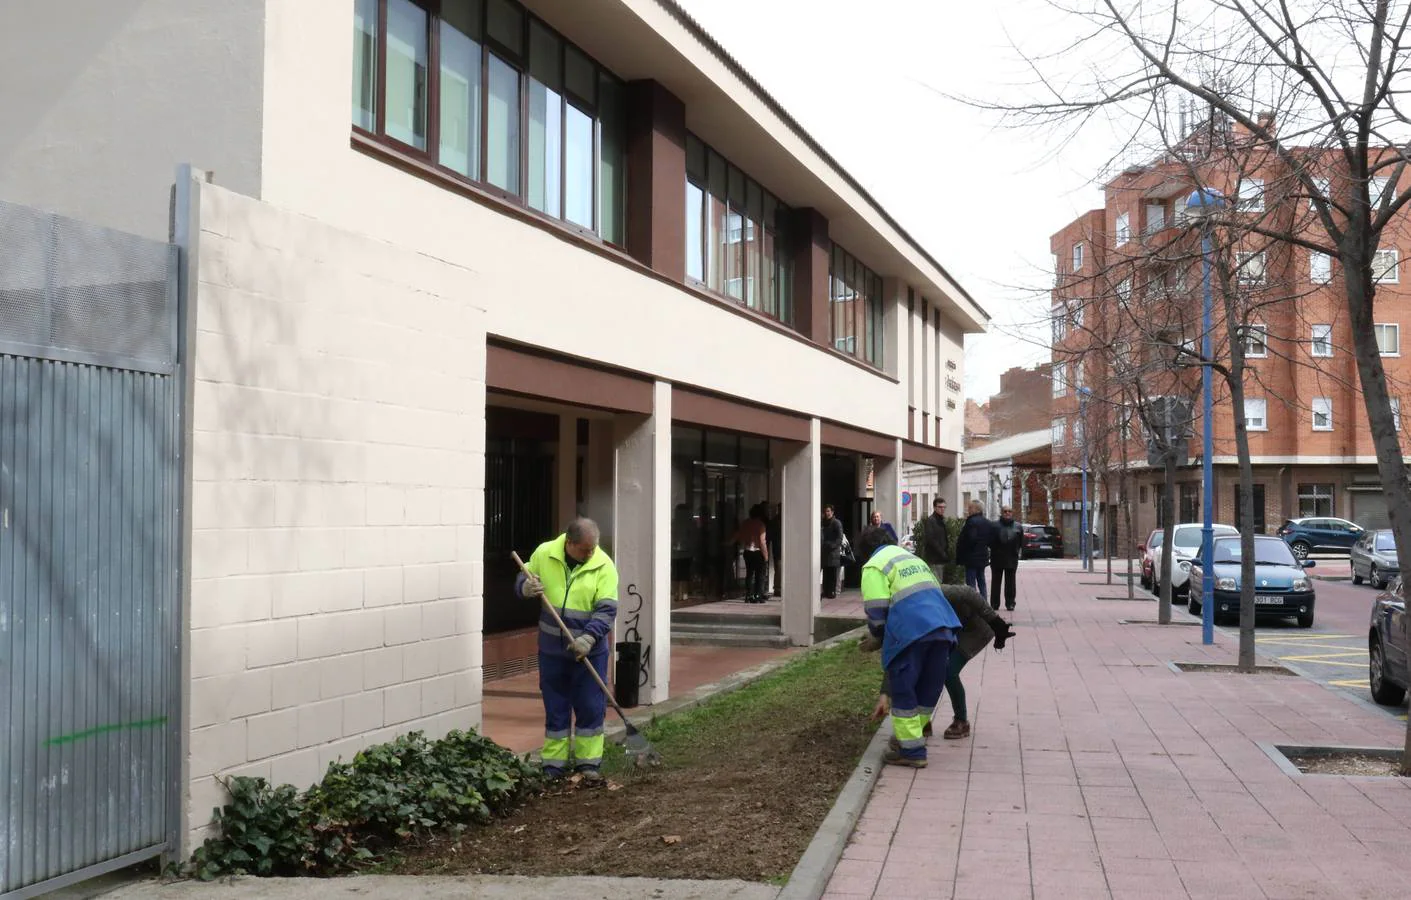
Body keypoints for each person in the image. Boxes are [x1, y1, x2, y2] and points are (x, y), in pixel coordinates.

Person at [516, 517, 618, 785]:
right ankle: (554, 766)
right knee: (556, 708)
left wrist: (589, 638)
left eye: (593, 547)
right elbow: (524, 575)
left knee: (590, 707)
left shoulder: (603, 566)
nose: (590, 553)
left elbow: (607, 610)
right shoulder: (545, 553)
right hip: (551, 652)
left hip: (589, 653)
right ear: (569, 543)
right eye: (585, 549)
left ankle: (589, 764)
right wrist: (525, 587)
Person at [856, 525, 962, 768]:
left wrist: (878, 637)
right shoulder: (912, 558)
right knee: (928, 687)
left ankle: (912, 752)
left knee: (904, 689)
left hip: (910, 632)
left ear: (866, 551)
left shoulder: (874, 565)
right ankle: (910, 739)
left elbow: (876, 609)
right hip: (943, 628)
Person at [932, 583, 1015, 739]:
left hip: (975, 629)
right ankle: (922, 720)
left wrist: (996, 622)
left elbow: (968, 592)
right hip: (951, 629)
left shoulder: (942, 593)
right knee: (929, 669)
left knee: (949, 672)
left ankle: (961, 721)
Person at [955, 501, 997, 596]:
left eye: (970, 508)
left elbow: (970, 539)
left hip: (971, 557)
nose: (968, 510)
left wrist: (963, 551)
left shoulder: (971, 522)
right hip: (982, 556)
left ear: (977, 509)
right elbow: (990, 540)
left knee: (971, 583)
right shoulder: (987, 522)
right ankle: (984, 603)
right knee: (981, 581)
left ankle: (973, 604)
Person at [989, 506, 1024, 611]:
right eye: (1005, 511)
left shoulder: (1018, 526)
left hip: (1011, 558)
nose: (1007, 513)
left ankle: (1010, 603)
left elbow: (1021, 542)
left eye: (1009, 511)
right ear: (1001, 513)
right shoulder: (994, 526)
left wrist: (1017, 552)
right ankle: (995, 603)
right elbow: (989, 541)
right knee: (996, 582)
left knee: (1011, 582)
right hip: (997, 558)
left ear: (1012, 513)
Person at [735, 503, 770, 603]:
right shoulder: (761, 524)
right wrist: (766, 555)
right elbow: (762, 542)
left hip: (747, 552)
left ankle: (748, 595)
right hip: (757, 552)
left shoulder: (745, 523)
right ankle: (757, 595)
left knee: (749, 573)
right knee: (760, 574)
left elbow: (739, 535)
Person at [919, 498, 952, 582]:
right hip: (934, 558)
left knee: (939, 581)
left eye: (944, 507)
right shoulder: (931, 520)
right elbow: (931, 539)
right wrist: (942, 552)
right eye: (940, 507)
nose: (942, 509)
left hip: (940, 558)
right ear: (934, 507)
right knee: (937, 582)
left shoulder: (941, 520)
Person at [820, 504, 845, 599]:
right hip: (825, 551)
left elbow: (840, 537)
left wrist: (833, 545)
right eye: (826, 511)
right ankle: (825, 591)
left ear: (832, 512)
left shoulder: (836, 523)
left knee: (832, 573)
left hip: (833, 552)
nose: (827, 513)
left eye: (828, 511)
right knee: (826, 572)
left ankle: (832, 591)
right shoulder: (823, 522)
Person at [671, 503, 693, 604]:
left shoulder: (673, 522)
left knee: (676, 574)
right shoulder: (690, 523)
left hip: (674, 553)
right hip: (686, 553)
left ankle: (675, 593)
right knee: (684, 575)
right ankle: (684, 594)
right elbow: (694, 537)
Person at [767, 503, 783, 597]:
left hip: (786, 549)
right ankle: (777, 589)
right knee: (779, 569)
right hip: (778, 549)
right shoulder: (774, 521)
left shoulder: (789, 520)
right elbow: (769, 535)